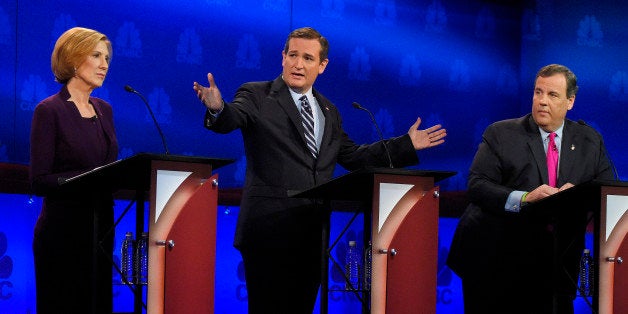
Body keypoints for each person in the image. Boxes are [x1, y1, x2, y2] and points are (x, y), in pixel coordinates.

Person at [193, 26, 446, 313]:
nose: (298, 64)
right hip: (268, 232)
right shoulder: (257, 95)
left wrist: (406, 145)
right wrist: (217, 109)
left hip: (313, 234)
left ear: (322, 66)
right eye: (293, 55)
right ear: (283, 57)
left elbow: (354, 157)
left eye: (308, 58)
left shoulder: (328, 110)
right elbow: (232, 118)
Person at [446, 64, 614, 313]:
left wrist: (579, 193)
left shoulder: (589, 140)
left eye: (552, 95)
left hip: (557, 262)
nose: (542, 101)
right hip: (493, 256)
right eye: (538, 92)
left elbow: (608, 192)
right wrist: (524, 198)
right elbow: (477, 186)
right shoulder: (502, 133)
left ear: (570, 101)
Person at [29, 27, 118, 314]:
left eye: (106, 57)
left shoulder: (105, 110)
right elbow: (39, 180)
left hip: (101, 232)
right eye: (96, 55)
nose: (104, 64)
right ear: (73, 58)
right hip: (62, 234)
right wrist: (85, 179)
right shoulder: (49, 110)